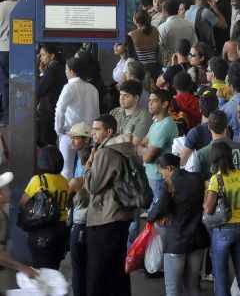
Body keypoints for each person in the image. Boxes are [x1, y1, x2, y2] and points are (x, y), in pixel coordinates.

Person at [84, 114, 137, 296]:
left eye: (97, 129)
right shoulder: (124, 149)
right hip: (121, 216)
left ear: (109, 131)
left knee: (98, 273)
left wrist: (89, 165)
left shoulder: (106, 152)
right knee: (116, 271)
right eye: (93, 129)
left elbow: (93, 186)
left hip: (105, 219)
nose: (93, 133)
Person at [148, 153, 208, 296]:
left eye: (161, 170)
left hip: (176, 241)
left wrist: (154, 217)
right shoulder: (198, 178)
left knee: (173, 290)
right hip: (197, 240)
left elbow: (156, 211)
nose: (161, 174)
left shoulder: (169, 184)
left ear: (169, 168)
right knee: (193, 287)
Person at [204, 142, 240, 296]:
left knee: (221, 276)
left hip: (223, 231)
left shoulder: (216, 179)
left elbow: (209, 209)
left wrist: (207, 195)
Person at [20, 145, 69, 269]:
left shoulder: (38, 180)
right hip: (61, 231)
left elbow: (23, 202)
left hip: (42, 231)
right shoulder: (65, 181)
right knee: (54, 269)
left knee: (41, 270)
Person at [54, 56, 100, 179]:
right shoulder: (93, 89)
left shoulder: (69, 87)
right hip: (88, 136)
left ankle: (68, 197)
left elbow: (59, 109)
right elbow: (97, 113)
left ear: (72, 71)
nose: (65, 72)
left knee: (66, 170)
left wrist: (59, 130)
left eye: (66, 70)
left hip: (70, 134)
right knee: (85, 168)